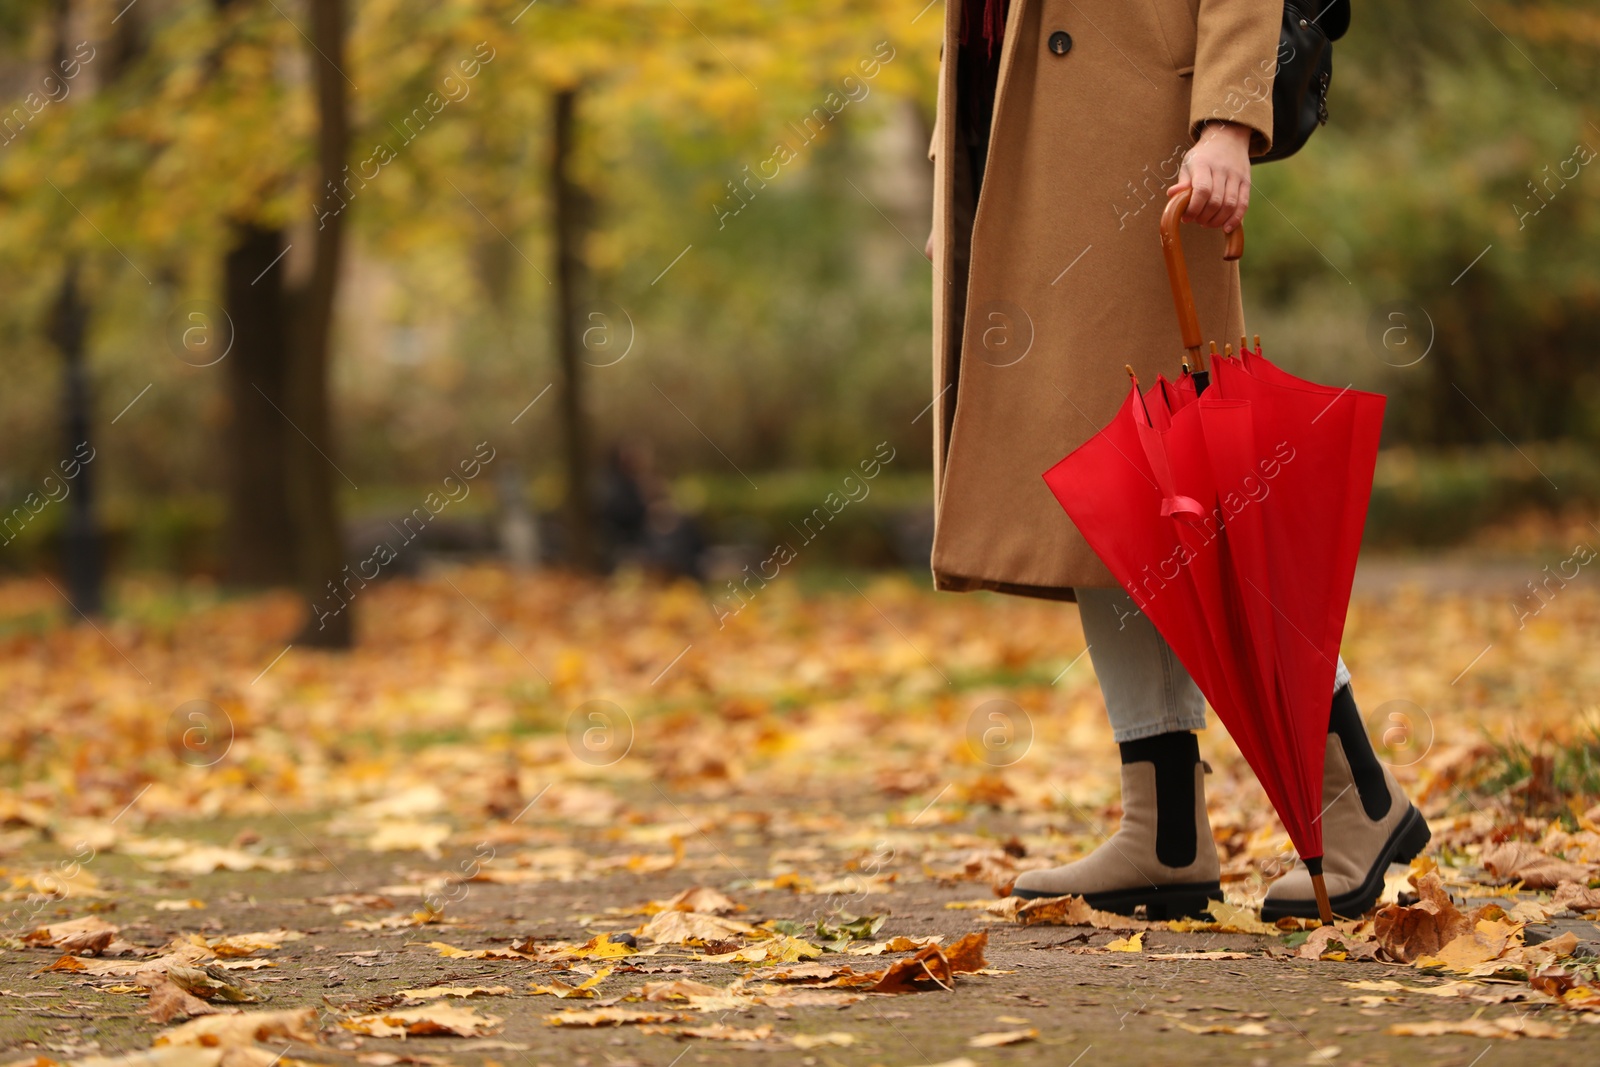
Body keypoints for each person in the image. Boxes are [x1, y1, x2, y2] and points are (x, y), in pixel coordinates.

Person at [923, 1, 1429, 920]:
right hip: (1033, 151)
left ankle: (1358, 797)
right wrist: (960, 183)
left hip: (1146, 144)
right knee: (1103, 496)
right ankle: (1164, 833)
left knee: (1195, 492)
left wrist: (1228, 119)